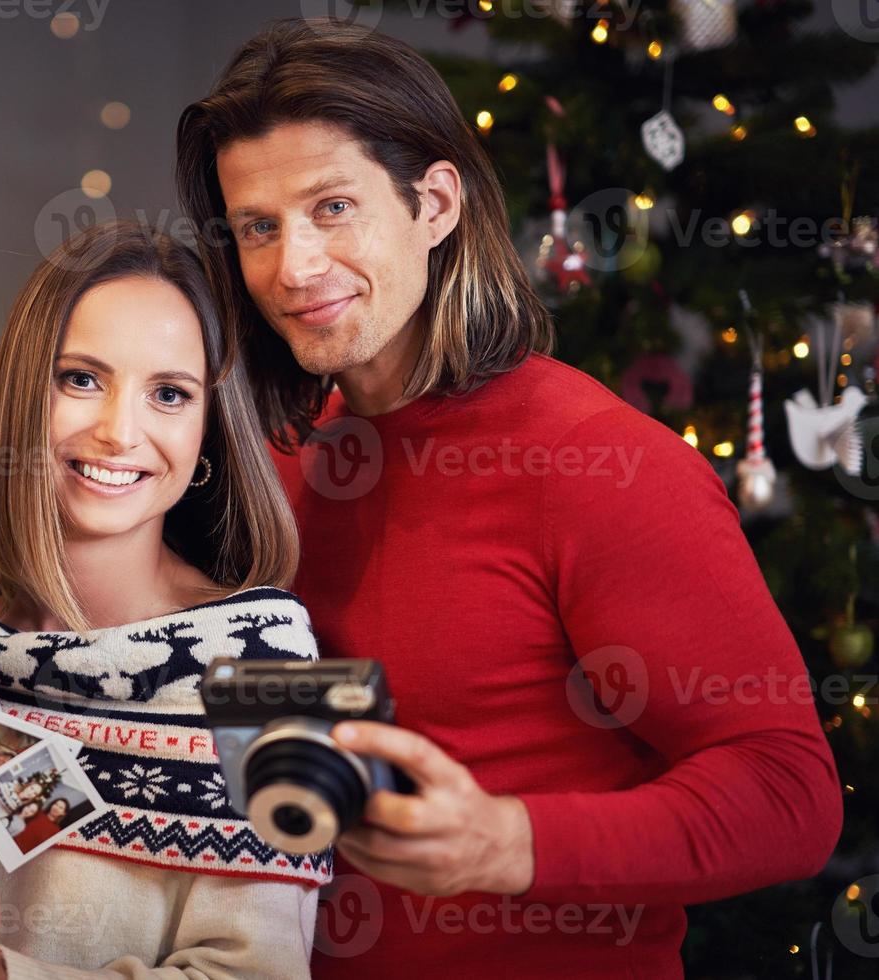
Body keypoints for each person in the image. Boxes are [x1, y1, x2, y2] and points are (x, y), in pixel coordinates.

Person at [174, 18, 844, 978]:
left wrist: (511, 843)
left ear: (434, 203)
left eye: (333, 208)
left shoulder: (604, 466)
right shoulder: (266, 459)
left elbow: (789, 796)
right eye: (257, 228)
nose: (294, 267)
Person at [0, 220, 326, 980]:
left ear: (208, 431)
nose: (116, 430)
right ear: (20, 395)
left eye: (168, 394)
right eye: (80, 379)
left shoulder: (275, 671)